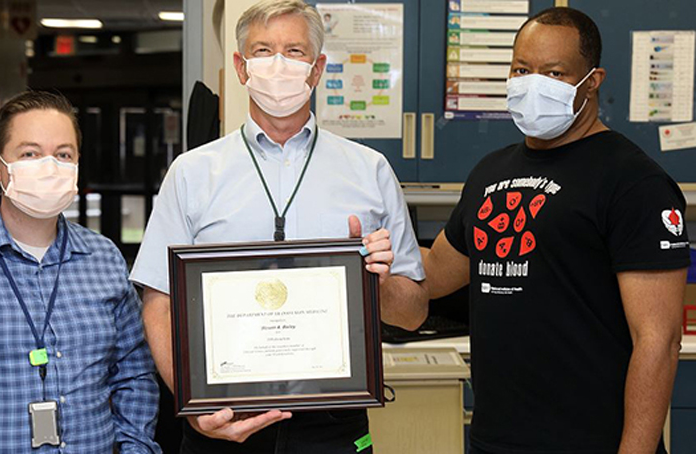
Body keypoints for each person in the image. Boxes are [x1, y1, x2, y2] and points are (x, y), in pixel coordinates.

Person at [130, 1, 425, 452]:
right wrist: (195, 408)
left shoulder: (369, 170)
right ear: (241, 67)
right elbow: (159, 304)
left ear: (318, 67)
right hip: (224, 425)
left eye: (294, 51)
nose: (278, 64)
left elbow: (413, 312)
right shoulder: (192, 173)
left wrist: (376, 285)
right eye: (263, 50)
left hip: (333, 424)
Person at [396, 7, 690, 454]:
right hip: (495, 440)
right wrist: (362, 254)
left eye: (553, 72)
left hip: (590, 442)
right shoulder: (489, 172)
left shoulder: (633, 181)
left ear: (591, 81)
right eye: (522, 69)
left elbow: (659, 340)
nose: (533, 84)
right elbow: (435, 272)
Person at [0, 91, 161, 453]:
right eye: (30, 153)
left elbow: (134, 372)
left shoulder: (104, 258)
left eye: (63, 154)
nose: (49, 166)